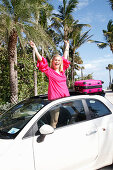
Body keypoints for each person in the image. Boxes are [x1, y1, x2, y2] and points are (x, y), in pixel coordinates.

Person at [30, 40, 70, 128]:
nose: (57, 62)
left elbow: (65, 57)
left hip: (65, 100)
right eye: (55, 60)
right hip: (55, 101)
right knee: (54, 121)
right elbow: (41, 59)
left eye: (59, 60)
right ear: (52, 61)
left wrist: (67, 46)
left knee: (72, 115)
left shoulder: (62, 72)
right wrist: (35, 48)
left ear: (61, 62)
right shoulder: (49, 72)